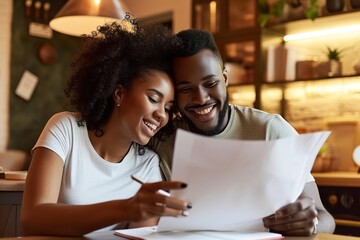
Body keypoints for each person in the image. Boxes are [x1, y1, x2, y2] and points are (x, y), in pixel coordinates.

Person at [151, 29, 336, 236]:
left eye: (211, 83)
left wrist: (311, 222)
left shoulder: (270, 130)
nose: (201, 98)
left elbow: (325, 217)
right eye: (185, 89)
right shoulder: (162, 138)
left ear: (225, 78)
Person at [21, 18, 191, 237]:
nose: (162, 115)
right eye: (153, 98)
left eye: (168, 108)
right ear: (119, 93)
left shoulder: (149, 164)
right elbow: (33, 219)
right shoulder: (66, 129)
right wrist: (124, 208)